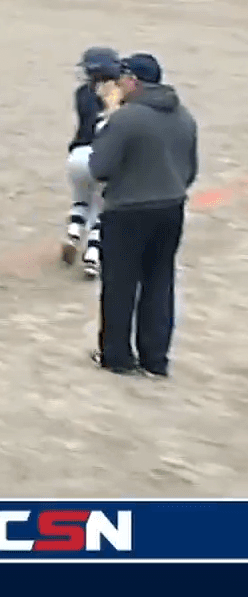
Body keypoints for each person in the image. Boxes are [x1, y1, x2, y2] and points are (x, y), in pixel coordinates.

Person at [88, 53, 199, 377]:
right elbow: (190, 171)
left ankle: (117, 355)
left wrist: (108, 118)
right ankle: (155, 358)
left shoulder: (126, 119)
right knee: (159, 282)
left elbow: (99, 168)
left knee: (120, 284)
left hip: (128, 210)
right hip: (171, 207)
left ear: (132, 81)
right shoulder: (184, 117)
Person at [64, 46, 123, 279]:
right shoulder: (120, 98)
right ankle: (92, 256)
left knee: (81, 199)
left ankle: (73, 232)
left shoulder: (82, 94)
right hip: (103, 157)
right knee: (101, 209)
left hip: (77, 155)